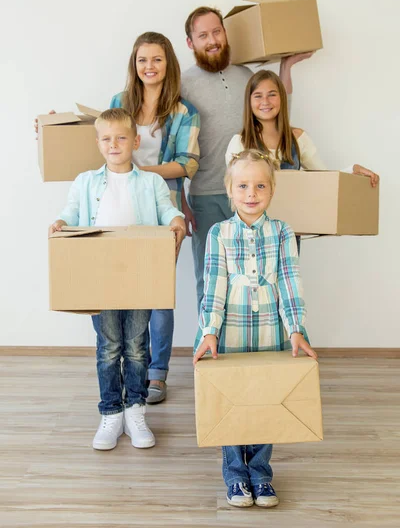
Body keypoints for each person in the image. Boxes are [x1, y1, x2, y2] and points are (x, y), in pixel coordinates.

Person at [49, 108, 186, 451]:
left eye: (122, 137)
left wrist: (177, 218)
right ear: (98, 143)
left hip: (140, 277)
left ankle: (135, 410)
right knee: (109, 347)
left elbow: (167, 210)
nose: (114, 144)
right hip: (100, 278)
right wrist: (61, 224)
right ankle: (111, 412)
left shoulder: (152, 182)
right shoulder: (85, 182)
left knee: (137, 348)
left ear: (135, 141)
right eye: (107, 139)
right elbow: (71, 213)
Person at [193, 149, 317, 508]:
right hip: (230, 335)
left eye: (260, 185)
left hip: (271, 335)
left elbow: (290, 281)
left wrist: (296, 328)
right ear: (229, 190)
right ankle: (235, 474)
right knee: (233, 403)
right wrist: (209, 331)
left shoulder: (282, 232)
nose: (251, 193)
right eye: (243, 185)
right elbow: (213, 285)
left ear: (272, 190)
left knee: (266, 401)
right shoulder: (219, 233)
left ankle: (261, 473)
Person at [180, 6, 313, 310]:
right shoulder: (182, 83)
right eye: (203, 35)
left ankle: (255, 344)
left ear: (225, 33)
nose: (212, 40)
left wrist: (286, 68)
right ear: (191, 43)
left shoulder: (245, 75)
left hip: (254, 192)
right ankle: (209, 350)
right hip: (207, 195)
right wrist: (181, 200)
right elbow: (159, 129)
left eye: (217, 31)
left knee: (259, 277)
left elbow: (276, 109)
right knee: (211, 278)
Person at [109, 32, 200, 404]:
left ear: (169, 64)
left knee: (159, 293)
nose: (149, 66)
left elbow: (187, 163)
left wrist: (141, 171)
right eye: (143, 59)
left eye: (157, 59)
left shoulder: (183, 112)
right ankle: (133, 367)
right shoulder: (118, 103)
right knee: (127, 291)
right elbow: (103, 139)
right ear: (134, 63)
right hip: (119, 210)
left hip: (164, 211)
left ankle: (157, 373)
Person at [226, 69, 379, 186]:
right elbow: (236, 188)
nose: (265, 101)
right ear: (249, 101)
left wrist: (353, 170)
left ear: (282, 98)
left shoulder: (297, 138)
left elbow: (323, 177)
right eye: (258, 96)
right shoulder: (240, 142)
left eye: (272, 94)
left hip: (293, 219)